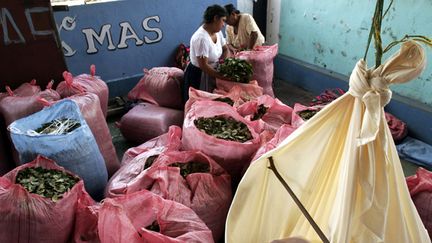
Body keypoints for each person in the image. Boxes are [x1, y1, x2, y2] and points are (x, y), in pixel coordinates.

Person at [182, 4, 230, 103]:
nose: (224, 25)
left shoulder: (218, 32)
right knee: (200, 105)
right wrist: (222, 76)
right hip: (199, 75)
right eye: (223, 20)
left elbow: (225, 49)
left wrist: (224, 63)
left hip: (213, 71)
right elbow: (203, 65)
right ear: (216, 18)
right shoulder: (201, 38)